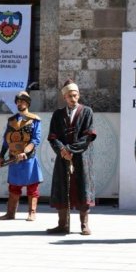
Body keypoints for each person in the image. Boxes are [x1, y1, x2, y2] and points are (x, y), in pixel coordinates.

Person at [46, 79, 97, 235]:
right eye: (69, 96)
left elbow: (88, 136)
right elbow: (53, 136)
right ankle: (63, 224)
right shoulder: (57, 114)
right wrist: (62, 150)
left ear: (78, 95)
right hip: (63, 158)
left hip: (82, 157)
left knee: (83, 187)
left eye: (75, 95)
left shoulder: (87, 111)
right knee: (62, 188)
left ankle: (84, 225)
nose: (73, 99)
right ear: (64, 97)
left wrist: (70, 150)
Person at [0, 91, 44, 221]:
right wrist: (1, 156)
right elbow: (6, 140)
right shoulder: (11, 120)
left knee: (32, 186)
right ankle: (10, 213)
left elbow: (35, 139)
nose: (19, 103)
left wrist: (26, 152)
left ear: (27, 103)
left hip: (29, 159)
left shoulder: (35, 120)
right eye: (18, 101)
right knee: (14, 186)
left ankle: (32, 212)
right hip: (13, 158)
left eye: (22, 101)